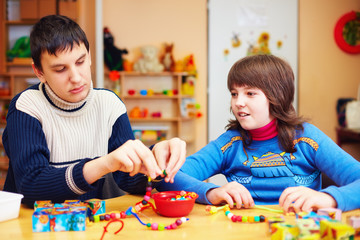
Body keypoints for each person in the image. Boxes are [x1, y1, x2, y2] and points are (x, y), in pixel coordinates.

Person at [3, 15, 186, 207]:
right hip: (33, 228)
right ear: (39, 72)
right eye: (60, 69)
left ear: (89, 56)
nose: (75, 77)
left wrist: (155, 160)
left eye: (80, 61)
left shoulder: (109, 104)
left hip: (89, 225)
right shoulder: (26, 107)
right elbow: (32, 187)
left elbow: (126, 179)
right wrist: (104, 164)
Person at [157, 54, 360, 213]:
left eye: (250, 93)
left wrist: (330, 198)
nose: (238, 102)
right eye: (234, 93)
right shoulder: (230, 143)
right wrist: (211, 192)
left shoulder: (308, 139)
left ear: (276, 96)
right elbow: (168, 177)